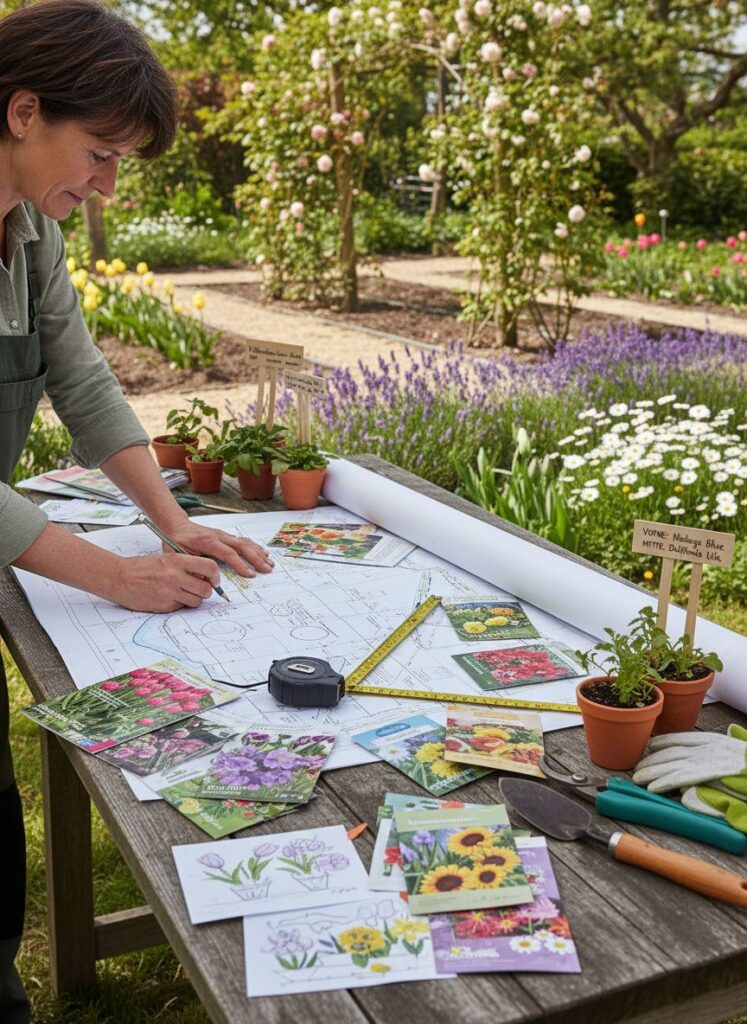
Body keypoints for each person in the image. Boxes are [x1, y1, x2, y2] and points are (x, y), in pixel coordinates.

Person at [0, 2, 273, 1018]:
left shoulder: (30, 234)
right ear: (25, 110)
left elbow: (82, 382)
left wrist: (171, 522)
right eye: (100, 152)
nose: (108, 185)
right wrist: (116, 576)